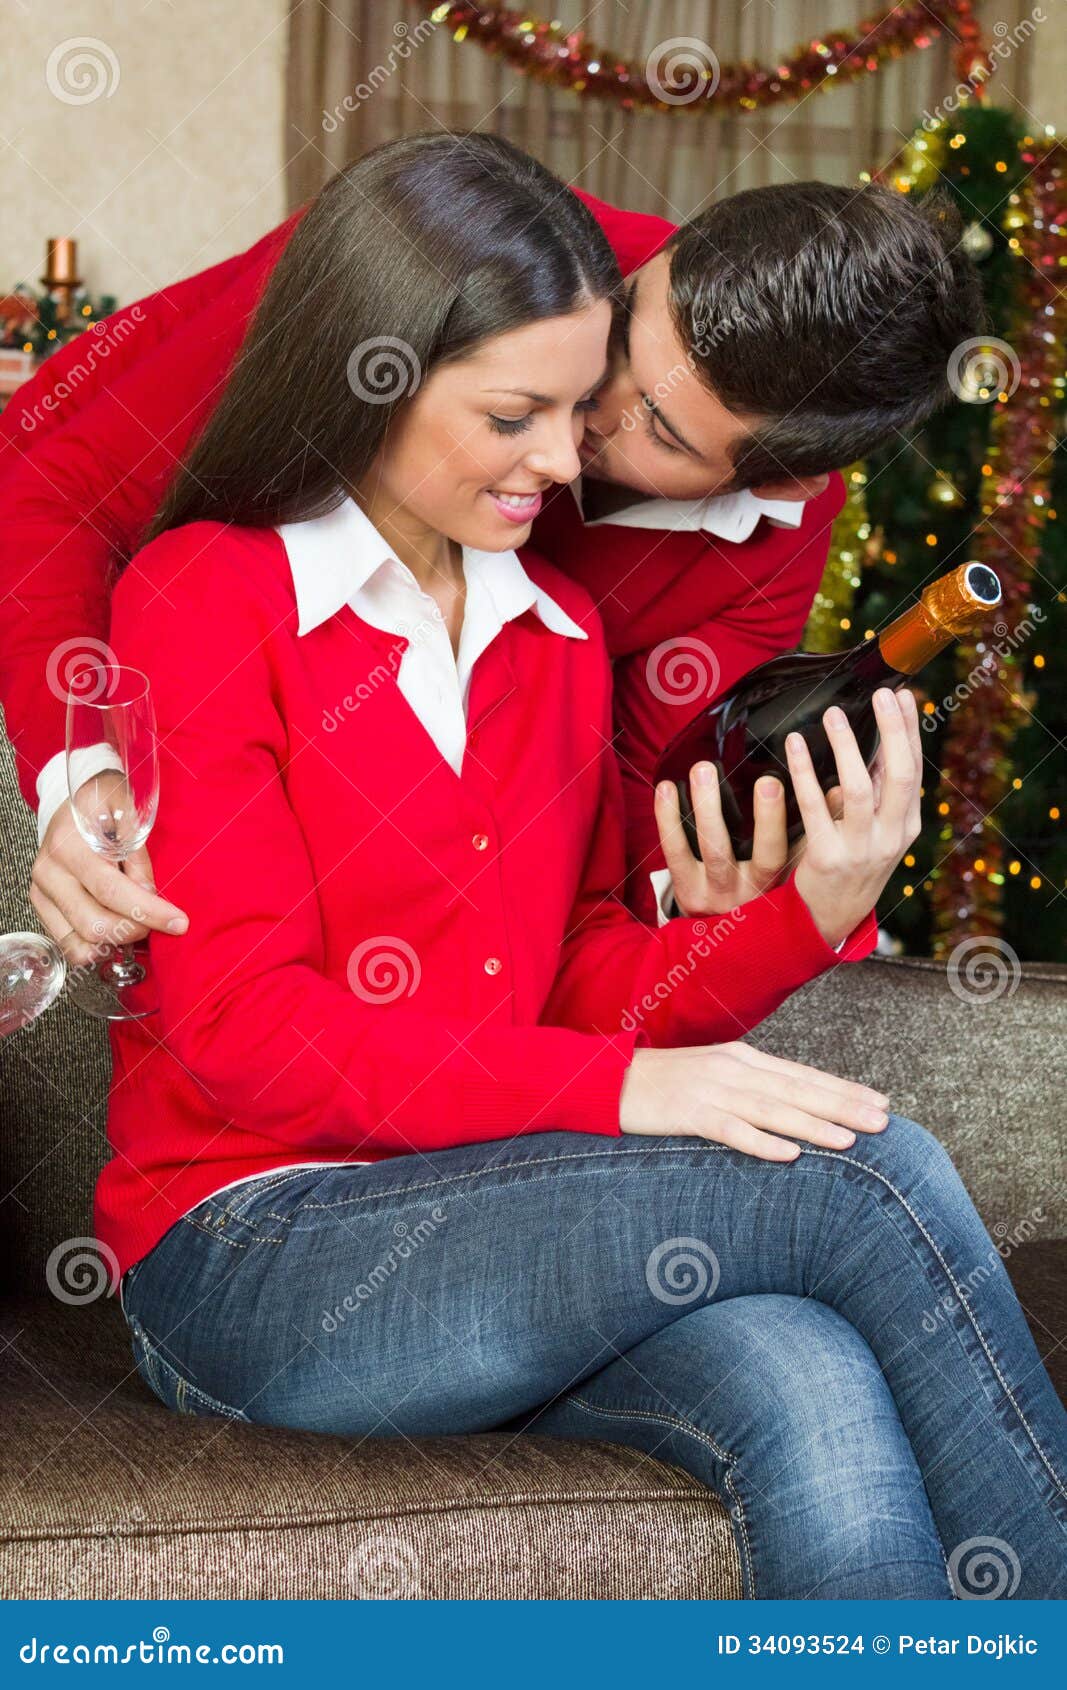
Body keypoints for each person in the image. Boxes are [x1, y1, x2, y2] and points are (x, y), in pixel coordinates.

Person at [97, 132, 1066, 1600]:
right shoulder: (202, 596)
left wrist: (807, 911)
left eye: (578, 413)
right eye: (520, 413)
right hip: (252, 1251)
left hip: (494, 1226)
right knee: (855, 1177)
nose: (566, 465)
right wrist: (618, 1093)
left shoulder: (554, 643)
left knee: (801, 1370)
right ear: (382, 369)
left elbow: (577, 979)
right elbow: (243, 1032)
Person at [0, 147, 983, 951]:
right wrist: (82, 771)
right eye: (625, 331)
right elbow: (53, 493)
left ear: (781, 481)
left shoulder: (776, 537)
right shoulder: (439, 261)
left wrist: (731, 903)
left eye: (665, 434)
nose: (583, 411)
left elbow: (634, 794)